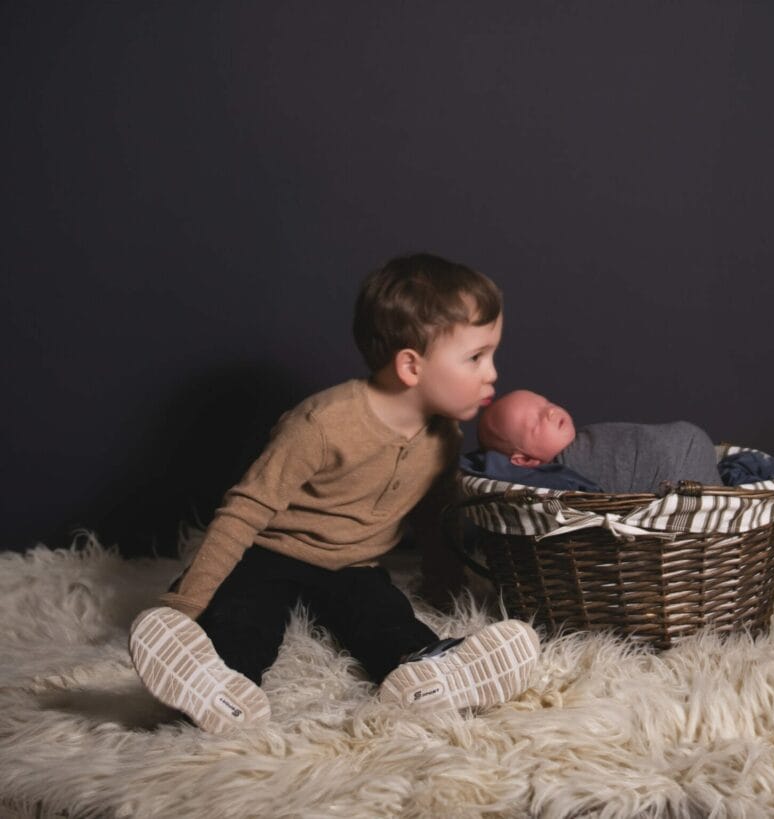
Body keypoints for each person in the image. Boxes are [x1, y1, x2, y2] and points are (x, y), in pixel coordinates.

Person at [128, 254, 541, 734]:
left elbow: (437, 516)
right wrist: (184, 605)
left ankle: (425, 670)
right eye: (476, 357)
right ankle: (220, 682)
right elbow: (244, 510)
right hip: (272, 553)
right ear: (411, 365)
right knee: (245, 614)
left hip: (353, 565)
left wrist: (445, 588)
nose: (492, 373)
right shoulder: (321, 423)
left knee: (382, 615)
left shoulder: (444, 436)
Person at [474, 389, 722, 493]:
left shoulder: (586, 437)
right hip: (677, 470)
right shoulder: (560, 476)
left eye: (546, 403)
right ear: (526, 460)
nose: (550, 411)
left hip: (681, 444)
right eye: (537, 421)